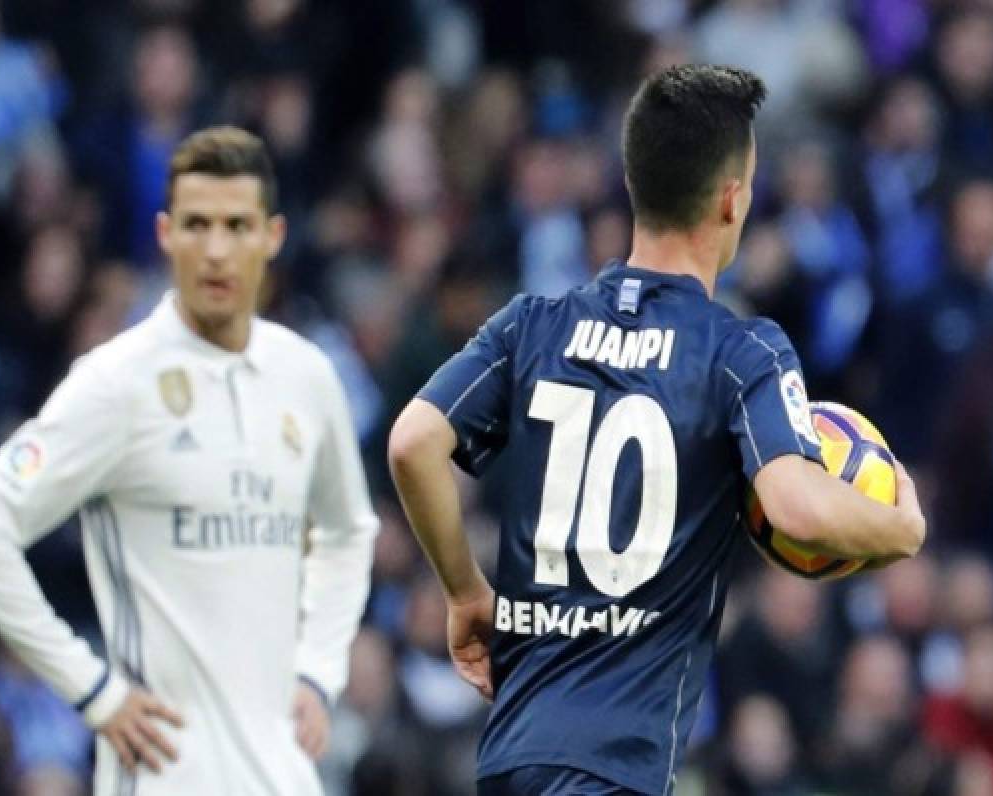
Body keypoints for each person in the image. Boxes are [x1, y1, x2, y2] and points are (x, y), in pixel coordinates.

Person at [387, 65, 927, 796]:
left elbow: (413, 442)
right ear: (734, 199)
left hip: (511, 756)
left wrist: (462, 592)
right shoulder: (741, 353)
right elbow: (797, 504)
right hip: (616, 768)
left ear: (637, 185)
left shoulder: (532, 326)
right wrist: (901, 529)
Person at [0, 126, 379, 795]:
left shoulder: (306, 377)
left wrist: (319, 670)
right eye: (198, 225)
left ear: (273, 237)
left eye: (237, 225)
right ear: (167, 235)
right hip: (167, 775)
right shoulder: (115, 384)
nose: (217, 250)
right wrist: (94, 691)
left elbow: (350, 532)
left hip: (283, 775)